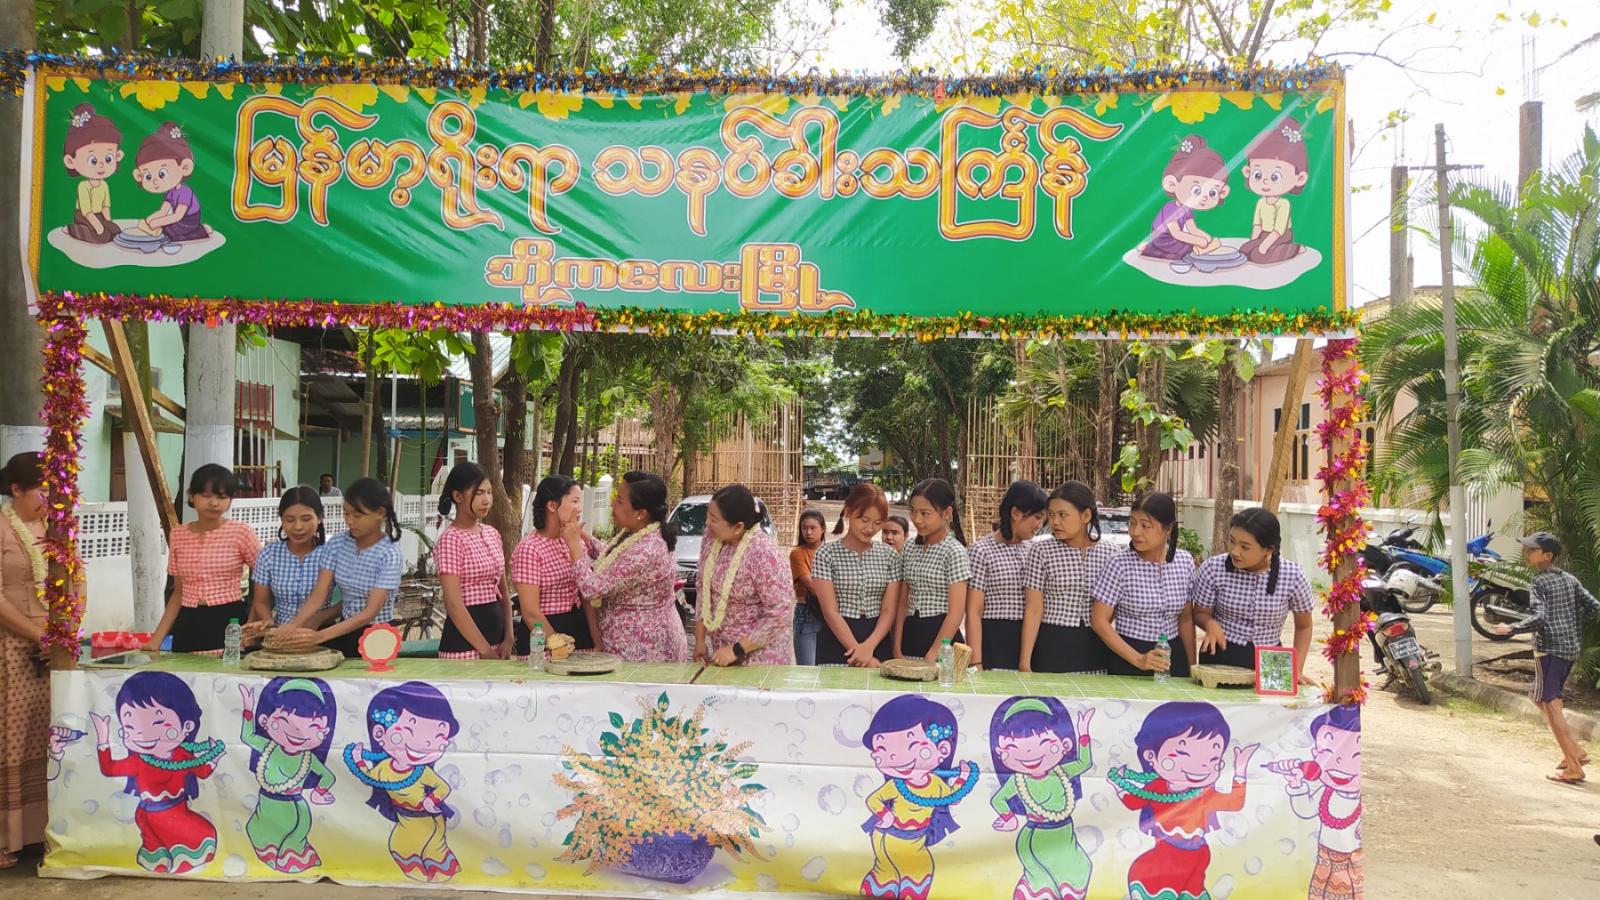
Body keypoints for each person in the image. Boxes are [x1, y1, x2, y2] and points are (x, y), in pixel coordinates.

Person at [1494, 532, 1600, 785]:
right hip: (1569, 648)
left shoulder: (1539, 582)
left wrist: (1512, 628)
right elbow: (1594, 607)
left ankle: (1573, 766)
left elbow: (1540, 617)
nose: (1526, 553)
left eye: (1532, 550)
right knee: (1538, 696)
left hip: (1549, 649)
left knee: (1550, 704)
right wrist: (1571, 624)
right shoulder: (1570, 580)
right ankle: (1576, 752)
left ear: (1547, 555)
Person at [0, 453, 57, 868]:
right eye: (43, 490)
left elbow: (75, 582)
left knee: (45, 736)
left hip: (49, 652)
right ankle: (6, 837)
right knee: (9, 739)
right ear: (16, 489)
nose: (50, 498)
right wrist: (37, 634)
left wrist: (62, 634)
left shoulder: (55, 528)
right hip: (9, 647)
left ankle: (38, 832)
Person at [275, 478, 404, 658]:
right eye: (346, 513)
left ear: (380, 513)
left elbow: (369, 612)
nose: (349, 521)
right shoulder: (337, 543)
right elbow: (319, 594)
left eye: (357, 516)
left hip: (376, 635)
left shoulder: (389, 554)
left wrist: (319, 636)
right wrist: (294, 626)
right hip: (344, 629)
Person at [568, 471, 687, 662]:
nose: (612, 504)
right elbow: (613, 558)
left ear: (640, 513)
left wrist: (574, 544)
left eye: (620, 501)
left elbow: (591, 588)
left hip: (644, 648)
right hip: (630, 642)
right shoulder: (640, 533)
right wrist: (583, 536)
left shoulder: (647, 550)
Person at [143, 464, 261, 654]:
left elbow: (263, 583)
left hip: (228, 620)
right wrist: (156, 639)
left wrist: (251, 627)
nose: (214, 503)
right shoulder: (178, 535)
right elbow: (178, 593)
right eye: (206, 496)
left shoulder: (241, 533)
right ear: (191, 496)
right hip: (187, 622)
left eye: (222, 497)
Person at [1191, 508, 1315, 682]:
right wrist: (1209, 623)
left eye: (1245, 547)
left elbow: (1304, 626)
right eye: (1232, 541)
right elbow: (1200, 613)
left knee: (1272, 701)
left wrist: (1297, 669)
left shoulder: (1293, 575)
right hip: (1220, 653)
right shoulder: (1213, 568)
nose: (1235, 551)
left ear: (1268, 550)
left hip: (1272, 659)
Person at [1091, 492, 1196, 678]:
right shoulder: (1119, 563)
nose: (1135, 532)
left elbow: (1185, 620)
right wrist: (1139, 659)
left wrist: (1192, 667)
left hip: (1173, 656)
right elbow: (1099, 621)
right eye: (1132, 523)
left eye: (1145, 526)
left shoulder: (1184, 561)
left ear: (1168, 528)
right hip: (1129, 656)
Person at [1021, 481, 1118, 674]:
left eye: (1063, 515)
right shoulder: (1041, 551)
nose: (1055, 522)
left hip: (1096, 646)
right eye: (1051, 515)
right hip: (1052, 645)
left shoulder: (1111, 553)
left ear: (1086, 515)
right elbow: (1033, 610)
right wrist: (1025, 662)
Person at [695, 485, 794, 666]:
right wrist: (700, 640)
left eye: (714, 519)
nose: (707, 523)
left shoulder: (763, 553)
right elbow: (703, 587)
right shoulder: (711, 538)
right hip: (722, 652)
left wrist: (736, 650)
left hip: (759, 658)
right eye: (707, 515)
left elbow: (781, 613)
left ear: (738, 527)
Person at [512, 475, 603, 658]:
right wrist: (558, 646)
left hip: (579, 630)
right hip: (545, 635)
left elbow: (585, 596)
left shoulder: (573, 542)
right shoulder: (530, 549)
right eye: (575, 501)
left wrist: (597, 639)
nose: (579, 508)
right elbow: (531, 612)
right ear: (552, 506)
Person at [812, 484, 902, 666]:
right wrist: (861, 654)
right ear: (848, 511)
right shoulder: (825, 554)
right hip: (836, 642)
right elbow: (830, 612)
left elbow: (888, 610)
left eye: (877, 523)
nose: (870, 528)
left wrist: (869, 647)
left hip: (877, 641)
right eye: (864, 520)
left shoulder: (890, 556)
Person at [965, 480, 1047, 671]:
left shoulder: (1035, 550)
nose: (1039, 525)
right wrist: (976, 661)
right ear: (1016, 513)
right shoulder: (981, 551)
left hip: (1031, 641)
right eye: (1036, 517)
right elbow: (974, 611)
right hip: (995, 639)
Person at [434, 462, 512, 661]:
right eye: (478, 493)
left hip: (497, 643)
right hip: (464, 648)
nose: (486, 500)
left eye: (489, 492)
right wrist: (485, 651)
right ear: (457, 496)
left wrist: (509, 637)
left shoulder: (492, 534)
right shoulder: (451, 539)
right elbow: (453, 603)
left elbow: (503, 592)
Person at [244, 487, 329, 643]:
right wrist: (268, 622)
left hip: (321, 634)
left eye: (306, 519)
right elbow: (261, 601)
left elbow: (347, 599)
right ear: (282, 520)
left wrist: (320, 618)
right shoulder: (269, 553)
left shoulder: (331, 553)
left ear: (319, 518)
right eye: (289, 520)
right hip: (279, 634)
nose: (298, 527)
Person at [898, 478, 970, 660]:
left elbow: (956, 612)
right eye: (913, 511)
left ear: (947, 513)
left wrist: (934, 652)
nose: (917, 519)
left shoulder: (954, 551)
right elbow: (902, 603)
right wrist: (896, 646)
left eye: (925, 513)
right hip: (910, 636)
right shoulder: (909, 548)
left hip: (942, 641)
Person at [1140, 135, 1231, 261]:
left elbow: (1193, 229)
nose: (1204, 198)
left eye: (1212, 192)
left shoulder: (1186, 209)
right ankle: (1151, 249)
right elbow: (1176, 233)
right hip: (1164, 240)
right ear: (1171, 184)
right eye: (1196, 190)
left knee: (1193, 247)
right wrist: (1198, 241)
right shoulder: (1170, 209)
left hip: (1175, 238)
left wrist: (1207, 239)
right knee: (1186, 250)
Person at [1238, 117, 1310, 264]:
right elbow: (1257, 225)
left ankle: (1294, 249)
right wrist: (1253, 242)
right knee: (1244, 251)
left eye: (1275, 177)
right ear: (1248, 172)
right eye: (1258, 175)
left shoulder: (1283, 204)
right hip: (1264, 234)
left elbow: (1278, 230)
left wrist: (1262, 247)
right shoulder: (1261, 202)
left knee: (1259, 256)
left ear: (1300, 178)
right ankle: (1260, 250)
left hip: (1282, 235)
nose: (1265, 181)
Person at [130, 121, 206, 244]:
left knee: (168, 233)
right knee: (162, 229)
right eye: (148, 176)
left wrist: (156, 223)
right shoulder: (170, 192)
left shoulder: (185, 191)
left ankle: (200, 231)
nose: (155, 180)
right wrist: (149, 220)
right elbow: (163, 211)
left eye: (162, 174)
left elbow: (178, 215)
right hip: (178, 219)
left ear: (185, 167)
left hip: (188, 221)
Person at [62, 103, 123, 244]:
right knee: (102, 236)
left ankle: (102, 230)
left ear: (117, 156)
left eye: (108, 158)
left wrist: (108, 223)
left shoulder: (104, 185)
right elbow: (87, 211)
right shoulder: (83, 186)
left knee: (115, 232)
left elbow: (106, 206)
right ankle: (72, 229)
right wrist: (99, 227)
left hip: (98, 214)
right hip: (83, 216)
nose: (101, 165)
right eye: (93, 160)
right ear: (70, 161)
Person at [789, 509, 828, 665]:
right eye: (804, 528)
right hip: (807, 612)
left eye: (813, 528)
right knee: (807, 668)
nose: (808, 532)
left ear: (823, 529)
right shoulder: (797, 553)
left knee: (828, 667)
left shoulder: (831, 552)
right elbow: (809, 584)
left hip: (831, 613)